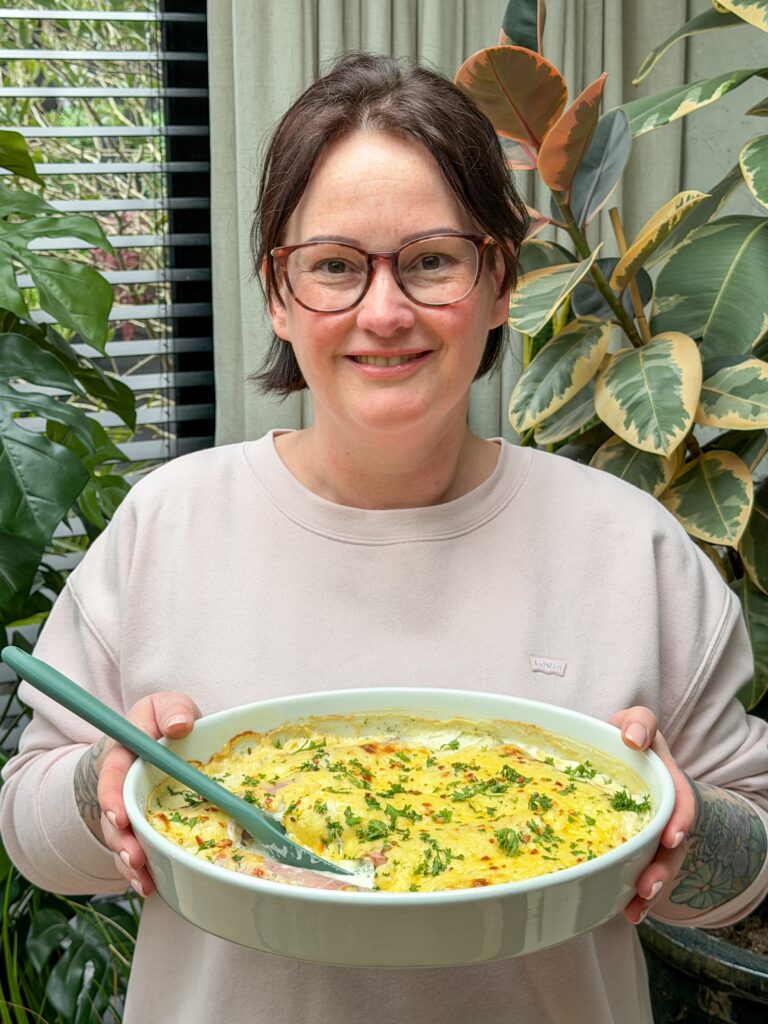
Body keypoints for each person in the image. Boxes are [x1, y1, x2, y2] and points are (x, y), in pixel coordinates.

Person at [1, 53, 767, 1024]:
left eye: (432, 260)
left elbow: (750, 881)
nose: (384, 311)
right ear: (278, 297)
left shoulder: (632, 544)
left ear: (499, 285)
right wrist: (97, 787)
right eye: (333, 266)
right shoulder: (167, 523)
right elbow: (33, 833)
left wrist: (681, 823)